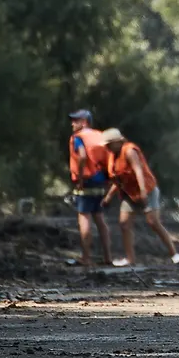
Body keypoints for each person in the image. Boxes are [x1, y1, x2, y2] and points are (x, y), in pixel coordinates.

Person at [99, 129, 179, 267]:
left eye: (109, 144)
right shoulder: (112, 156)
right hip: (129, 193)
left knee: (153, 222)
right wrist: (108, 197)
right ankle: (130, 258)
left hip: (147, 190)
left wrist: (143, 191)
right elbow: (118, 180)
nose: (107, 147)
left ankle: (174, 254)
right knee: (124, 223)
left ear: (117, 142)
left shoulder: (129, 150)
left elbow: (138, 170)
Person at [68, 109, 112, 267]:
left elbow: (82, 156)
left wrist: (80, 179)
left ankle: (86, 258)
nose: (72, 123)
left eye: (76, 120)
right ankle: (107, 257)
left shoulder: (78, 138)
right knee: (99, 218)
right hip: (101, 182)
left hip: (85, 182)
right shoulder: (100, 136)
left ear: (84, 121)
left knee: (84, 218)